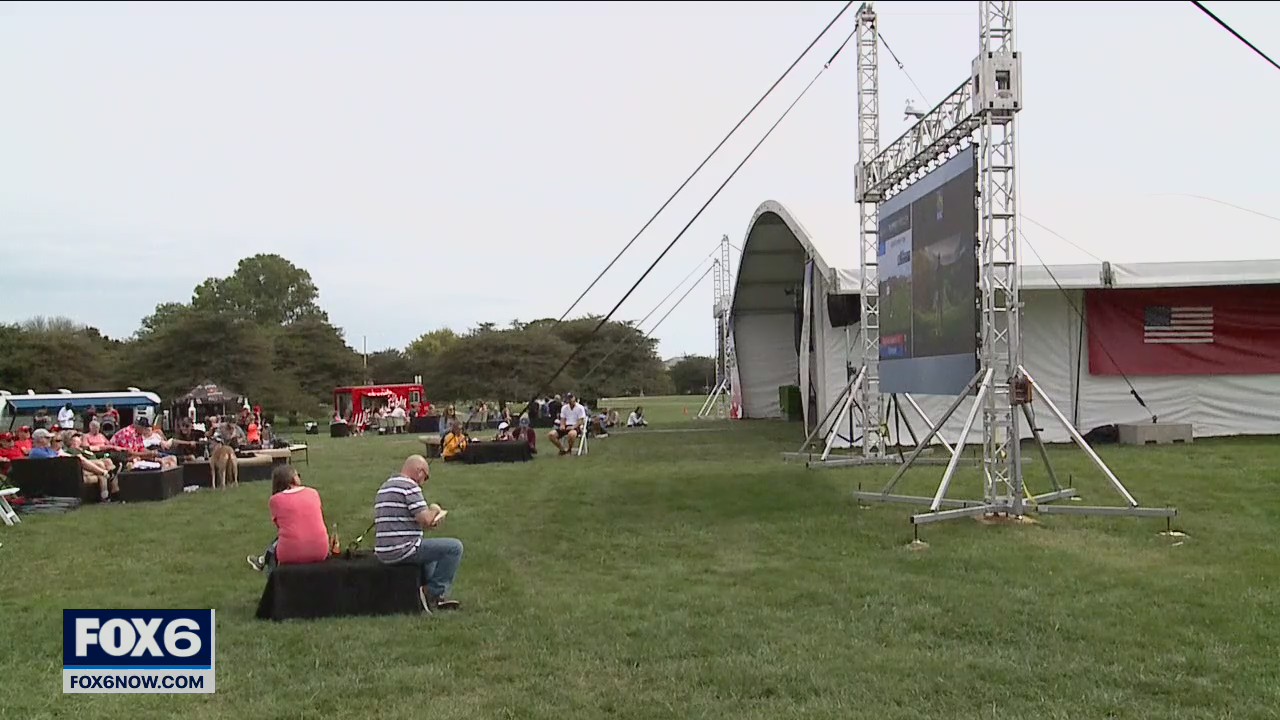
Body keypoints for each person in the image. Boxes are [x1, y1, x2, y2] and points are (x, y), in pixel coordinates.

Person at [373, 455, 462, 612]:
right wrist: (435, 509)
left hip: (383, 551)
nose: (424, 482)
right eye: (425, 477)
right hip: (402, 549)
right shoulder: (410, 487)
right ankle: (432, 592)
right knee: (454, 548)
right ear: (419, 472)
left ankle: (432, 598)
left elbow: (409, 521)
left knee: (432, 556)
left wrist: (428, 522)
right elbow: (426, 519)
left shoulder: (385, 486)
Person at [248, 465, 331, 572]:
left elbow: (280, 527)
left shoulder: (275, 500)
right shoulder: (313, 493)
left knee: (280, 543)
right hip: (321, 549)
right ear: (292, 479)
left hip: (290, 553)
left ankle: (272, 579)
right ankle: (262, 560)